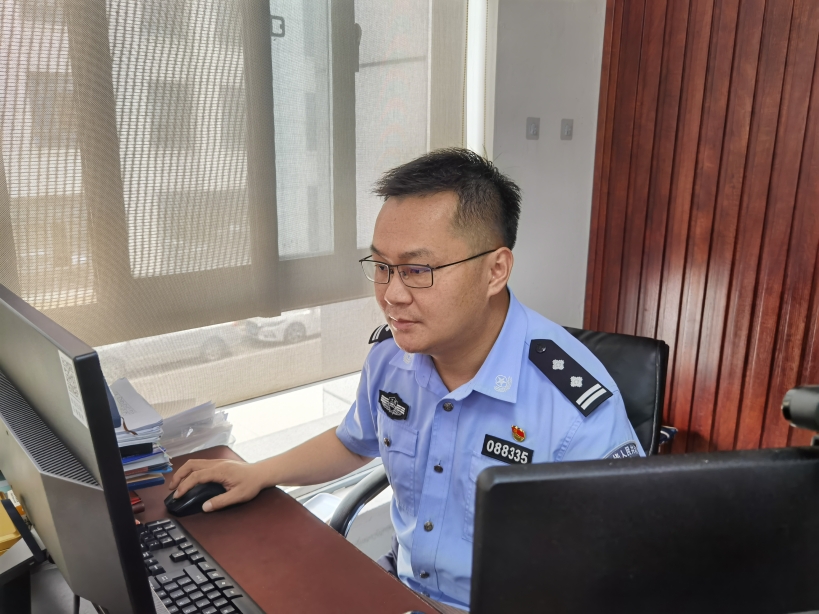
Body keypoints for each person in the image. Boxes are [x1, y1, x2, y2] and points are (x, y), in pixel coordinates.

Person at [168, 148, 643, 611]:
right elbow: (354, 441)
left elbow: (620, 568)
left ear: (495, 270)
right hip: (401, 587)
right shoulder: (391, 358)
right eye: (382, 267)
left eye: (417, 270)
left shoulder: (573, 406)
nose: (391, 295)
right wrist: (257, 473)